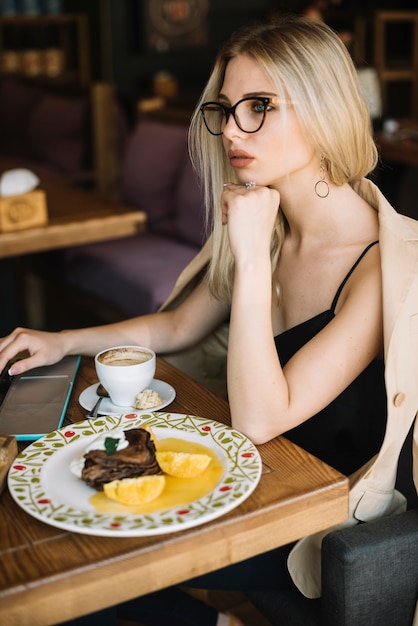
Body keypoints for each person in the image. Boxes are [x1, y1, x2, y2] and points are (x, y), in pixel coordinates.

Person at [1, 15, 418, 626]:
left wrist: (251, 258)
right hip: (251, 478)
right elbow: (177, 328)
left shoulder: (384, 267)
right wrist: (59, 340)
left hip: (313, 515)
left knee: (76, 568)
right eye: (225, 109)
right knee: (66, 532)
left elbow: (259, 418)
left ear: (325, 109)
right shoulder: (272, 220)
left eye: (259, 106)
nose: (231, 130)